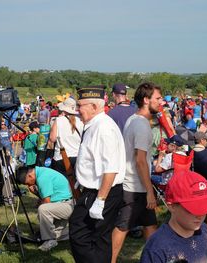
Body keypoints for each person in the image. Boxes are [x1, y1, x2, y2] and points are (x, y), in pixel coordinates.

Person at [69, 85, 126, 263]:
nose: (77, 111)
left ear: (94, 107)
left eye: (80, 106)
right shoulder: (95, 125)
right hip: (99, 189)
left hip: (102, 192)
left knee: (79, 234)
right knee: (100, 238)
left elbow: (111, 167)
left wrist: (100, 201)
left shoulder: (103, 128)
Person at [111, 82, 163, 263]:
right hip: (134, 187)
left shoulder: (134, 119)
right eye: (158, 98)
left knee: (150, 225)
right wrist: (150, 191)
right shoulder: (141, 125)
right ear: (146, 100)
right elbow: (140, 160)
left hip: (137, 184)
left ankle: (156, 259)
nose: (162, 102)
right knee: (122, 227)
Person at [140, 170, 207, 263]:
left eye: (204, 207)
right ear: (171, 206)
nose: (200, 215)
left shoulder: (204, 230)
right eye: (193, 209)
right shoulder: (157, 248)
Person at [16, 166, 73, 251]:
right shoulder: (41, 172)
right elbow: (46, 199)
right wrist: (36, 193)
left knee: (42, 209)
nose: (29, 185)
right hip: (64, 204)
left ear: (30, 176)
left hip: (67, 205)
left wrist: (39, 200)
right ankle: (75, 232)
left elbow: (47, 202)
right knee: (53, 234)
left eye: (27, 183)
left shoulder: (42, 178)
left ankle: (50, 240)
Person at [49, 97, 83, 174]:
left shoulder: (59, 120)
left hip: (61, 157)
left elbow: (52, 139)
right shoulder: (81, 121)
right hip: (77, 156)